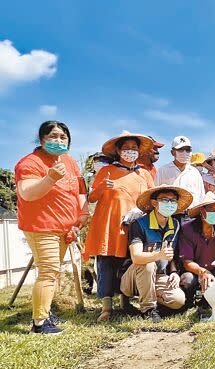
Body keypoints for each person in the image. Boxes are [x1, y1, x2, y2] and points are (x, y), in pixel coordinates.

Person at [15, 121, 90, 334]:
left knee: (53, 272)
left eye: (63, 137)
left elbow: (80, 189)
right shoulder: (29, 163)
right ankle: (39, 324)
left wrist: (82, 214)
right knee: (48, 271)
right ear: (41, 140)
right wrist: (49, 178)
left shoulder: (69, 161)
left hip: (65, 228)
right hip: (42, 227)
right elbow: (27, 193)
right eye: (53, 136)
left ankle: (45, 312)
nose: (59, 140)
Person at [84, 131, 155, 322]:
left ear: (139, 151)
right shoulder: (105, 171)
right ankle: (106, 308)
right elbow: (92, 197)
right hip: (109, 225)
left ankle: (126, 302)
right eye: (126, 148)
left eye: (134, 148)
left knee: (128, 262)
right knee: (106, 263)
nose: (130, 151)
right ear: (117, 150)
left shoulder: (145, 174)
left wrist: (142, 212)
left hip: (134, 226)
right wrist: (101, 188)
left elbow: (151, 200)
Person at [120, 185, 192, 322]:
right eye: (165, 200)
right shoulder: (139, 224)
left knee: (178, 301)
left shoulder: (175, 224)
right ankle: (148, 310)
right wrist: (159, 255)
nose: (170, 204)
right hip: (133, 277)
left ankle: (152, 301)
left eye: (173, 201)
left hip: (159, 275)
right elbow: (136, 257)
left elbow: (171, 254)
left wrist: (174, 272)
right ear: (154, 203)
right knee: (148, 264)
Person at [155, 136, 205, 207]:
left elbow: (201, 196)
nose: (185, 152)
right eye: (180, 149)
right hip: (170, 214)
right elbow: (156, 194)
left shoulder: (195, 173)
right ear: (172, 152)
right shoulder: (162, 171)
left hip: (193, 214)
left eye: (188, 150)